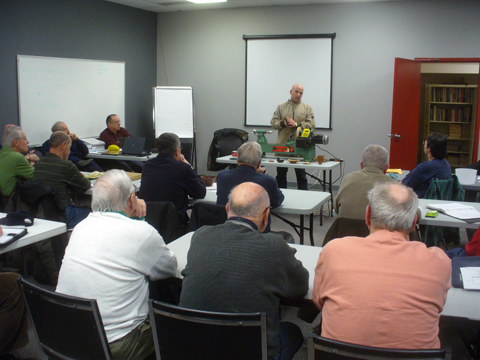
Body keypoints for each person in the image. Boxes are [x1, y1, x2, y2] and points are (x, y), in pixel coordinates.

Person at [313, 182, 451, 349]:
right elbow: (438, 308)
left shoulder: (333, 251)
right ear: (414, 221)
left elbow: (319, 301)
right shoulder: (439, 262)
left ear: (368, 214)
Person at [56, 169, 177, 360]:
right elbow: (169, 268)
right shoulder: (141, 232)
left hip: (66, 335)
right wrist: (140, 220)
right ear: (131, 200)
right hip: (114, 345)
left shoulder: (80, 227)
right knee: (175, 326)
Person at [180, 182, 308, 360]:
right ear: (266, 215)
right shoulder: (275, 247)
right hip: (251, 352)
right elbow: (300, 287)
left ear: (227, 209)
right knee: (292, 332)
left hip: (194, 350)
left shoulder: (200, 235)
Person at [139, 132, 206, 225]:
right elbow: (201, 193)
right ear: (177, 151)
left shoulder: (147, 166)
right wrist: (188, 165)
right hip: (174, 223)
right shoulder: (183, 168)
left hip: (150, 221)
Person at [34, 131, 92, 228]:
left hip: (43, 213)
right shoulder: (66, 165)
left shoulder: (39, 164)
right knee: (94, 214)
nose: (69, 152)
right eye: (69, 148)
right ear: (63, 145)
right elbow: (86, 184)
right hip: (63, 214)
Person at [270, 84, 315, 190]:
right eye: (296, 91)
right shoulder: (281, 107)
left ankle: (303, 200)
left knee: (301, 177)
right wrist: (283, 123)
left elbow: (312, 124)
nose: (298, 94)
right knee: (280, 176)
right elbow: (273, 122)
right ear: (290, 92)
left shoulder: (307, 108)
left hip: (300, 148)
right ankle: (281, 199)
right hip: (283, 147)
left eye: (301, 93)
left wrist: (297, 124)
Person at [334, 144, 395, 219]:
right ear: (386, 168)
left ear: (361, 165)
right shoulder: (394, 186)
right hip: (377, 229)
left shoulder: (348, 178)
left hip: (344, 229)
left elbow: (336, 208)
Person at [216, 141, 284, 207]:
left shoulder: (222, 176)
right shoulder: (267, 181)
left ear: (237, 160)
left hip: (226, 218)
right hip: (255, 218)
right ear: (259, 163)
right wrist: (264, 173)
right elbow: (277, 201)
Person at [402, 132, 451, 198]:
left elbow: (404, 185)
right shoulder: (446, 165)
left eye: (424, 144)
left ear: (429, 148)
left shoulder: (425, 167)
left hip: (419, 200)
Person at [0, 126, 34, 198]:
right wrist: (32, 164)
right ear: (15, 142)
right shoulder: (17, 158)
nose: (28, 142)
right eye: (25, 139)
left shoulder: (3, 152)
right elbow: (35, 177)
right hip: (11, 201)